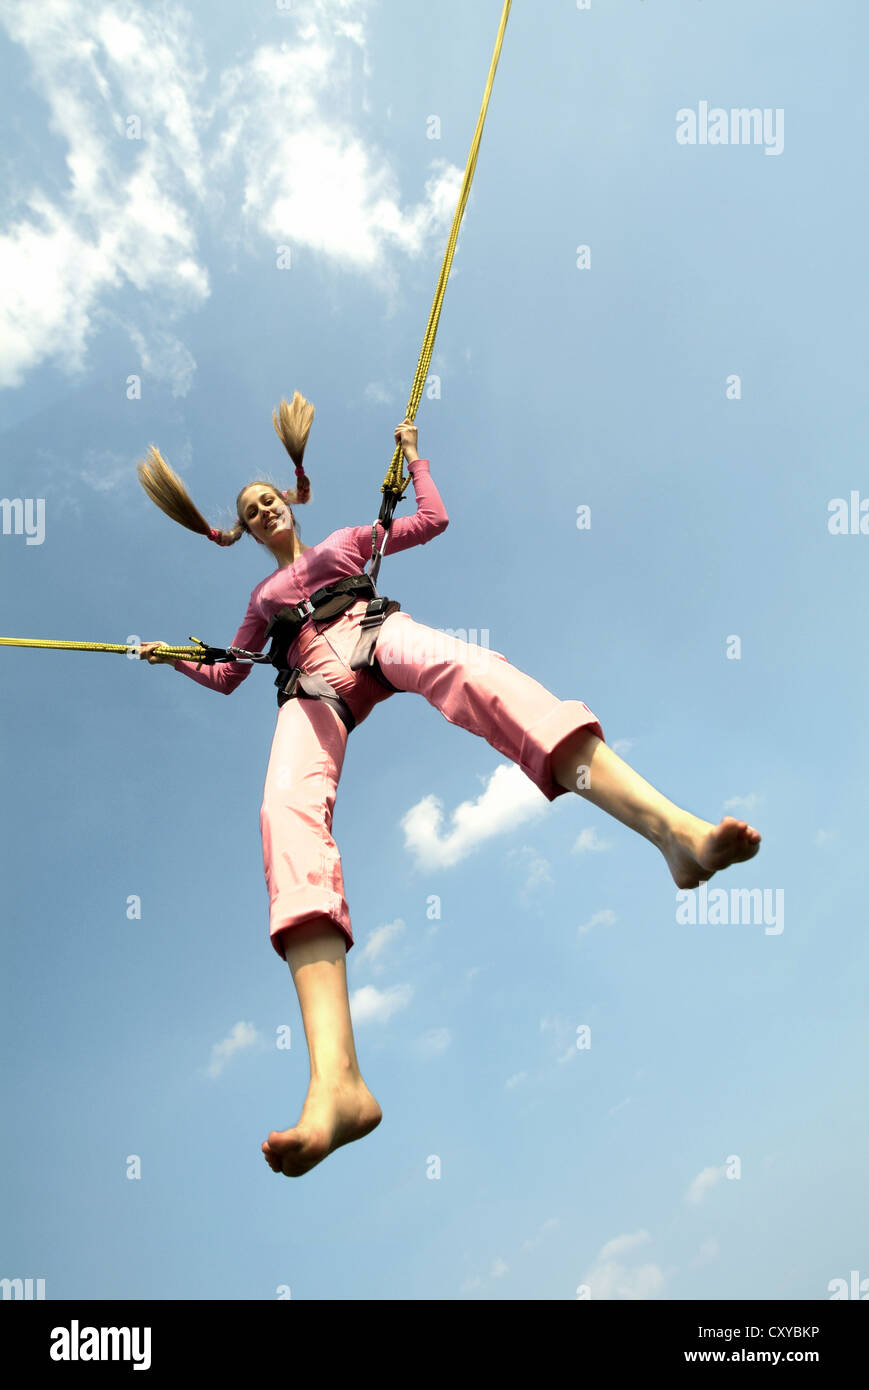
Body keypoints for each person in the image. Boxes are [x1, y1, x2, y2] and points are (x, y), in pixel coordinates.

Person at [137, 393, 761, 1178]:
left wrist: (415, 454)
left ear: (289, 501)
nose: (262, 512)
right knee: (282, 812)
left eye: (268, 499)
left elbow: (430, 521)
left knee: (480, 674)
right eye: (251, 511)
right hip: (308, 685)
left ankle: (677, 832)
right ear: (244, 531)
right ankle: (337, 1084)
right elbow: (230, 673)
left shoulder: (345, 540)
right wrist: (175, 659)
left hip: (369, 628)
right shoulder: (261, 600)